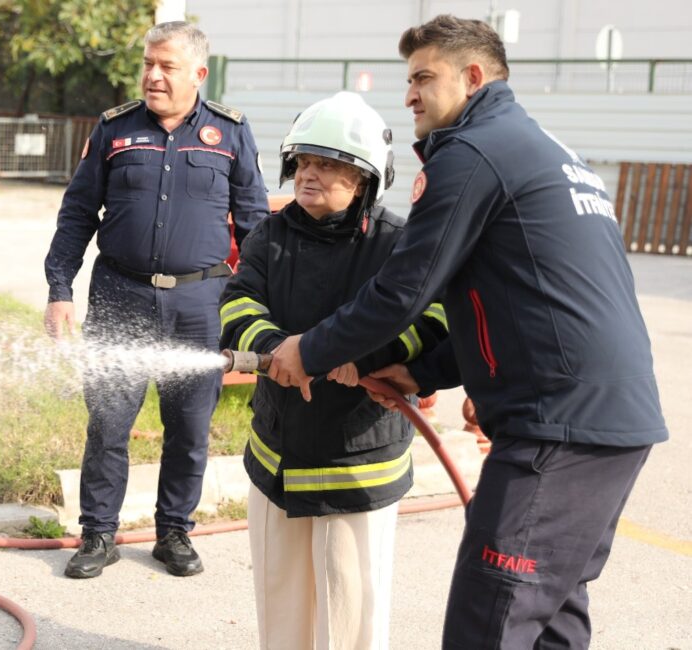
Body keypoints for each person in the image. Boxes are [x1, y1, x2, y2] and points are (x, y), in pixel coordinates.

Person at [266, 14, 669, 649]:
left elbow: (403, 290)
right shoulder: (549, 151)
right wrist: (422, 371)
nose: (410, 95)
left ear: (473, 77)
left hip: (556, 428)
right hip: (610, 425)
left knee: (491, 618)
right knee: (552, 617)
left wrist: (308, 351)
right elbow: (520, 301)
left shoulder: (472, 154)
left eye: (424, 77)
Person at [219, 91, 449, 649]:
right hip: (277, 457)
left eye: (327, 164)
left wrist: (365, 357)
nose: (309, 175)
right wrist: (275, 351)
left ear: (365, 178)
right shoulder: (271, 234)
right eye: (303, 162)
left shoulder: (400, 244)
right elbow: (237, 303)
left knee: (351, 616)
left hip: (357, 466)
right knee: (282, 610)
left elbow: (435, 318)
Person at [43, 20, 270, 579]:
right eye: (148, 63)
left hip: (201, 304)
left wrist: (258, 305)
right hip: (120, 296)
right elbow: (77, 213)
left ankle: (174, 532)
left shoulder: (231, 133)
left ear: (198, 72)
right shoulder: (114, 129)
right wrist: (59, 290)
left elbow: (257, 223)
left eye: (166, 65)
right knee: (108, 423)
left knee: (190, 427)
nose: (153, 75)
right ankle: (98, 534)